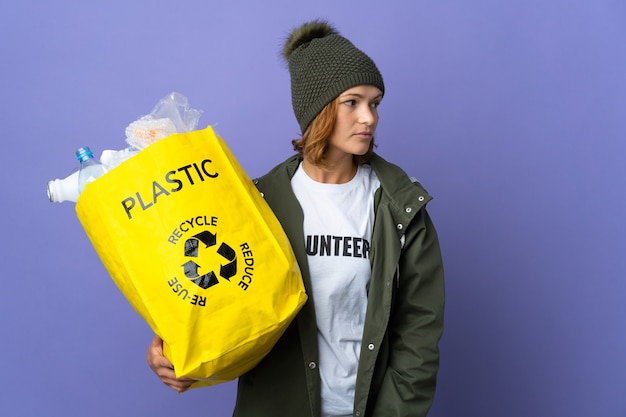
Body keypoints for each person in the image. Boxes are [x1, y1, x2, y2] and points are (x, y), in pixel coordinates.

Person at [147, 19, 445, 417]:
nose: (369, 118)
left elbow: (419, 334)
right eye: (352, 102)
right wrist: (172, 350)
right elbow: (219, 304)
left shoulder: (400, 206)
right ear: (318, 109)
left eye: (375, 103)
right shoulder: (257, 202)